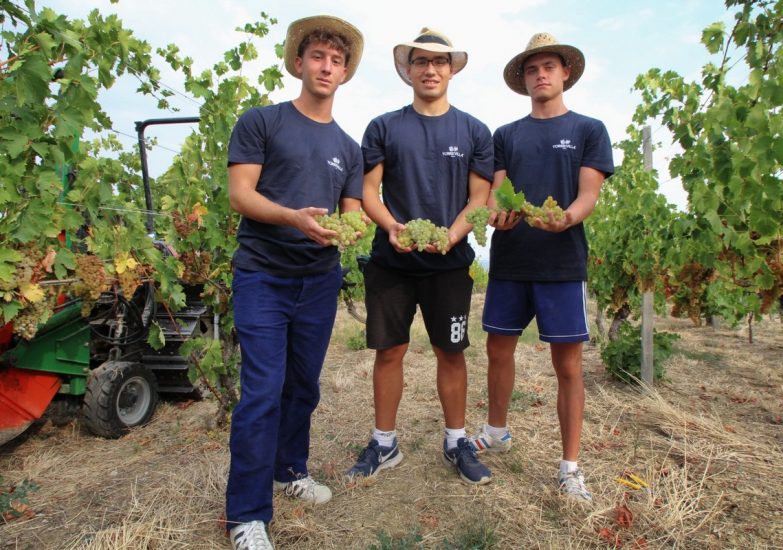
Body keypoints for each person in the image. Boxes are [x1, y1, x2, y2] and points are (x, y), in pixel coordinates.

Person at [224, 15, 364, 550]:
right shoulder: (262, 122)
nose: (326, 67)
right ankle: (246, 515)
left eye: (336, 60)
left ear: (345, 72)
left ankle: (290, 469)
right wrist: (293, 217)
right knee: (261, 393)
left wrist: (347, 231)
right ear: (300, 63)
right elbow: (241, 195)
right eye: (318, 57)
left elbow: (350, 212)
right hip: (262, 275)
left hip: (318, 281)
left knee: (302, 388)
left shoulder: (348, 148)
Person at [346, 28, 494, 485]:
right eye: (421, 62)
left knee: (450, 352)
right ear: (408, 70)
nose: (430, 70)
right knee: (390, 351)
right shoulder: (384, 126)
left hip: (448, 265)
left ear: (451, 70)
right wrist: (391, 227)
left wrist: (451, 235)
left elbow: (480, 198)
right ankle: (384, 443)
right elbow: (368, 191)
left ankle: (456, 441)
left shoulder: (473, 131)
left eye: (440, 62)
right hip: (392, 262)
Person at [470, 32, 614, 502]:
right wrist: (496, 215)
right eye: (532, 70)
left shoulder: (590, 129)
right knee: (498, 348)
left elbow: (588, 193)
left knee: (568, 365)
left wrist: (567, 217)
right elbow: (496, 192)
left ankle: (570, 466)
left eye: (549, 67)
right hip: (512, 260)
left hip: (562, 261)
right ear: (524, 79)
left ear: (565, 72)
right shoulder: (506, 135)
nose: (541, 75)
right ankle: (496, 431)